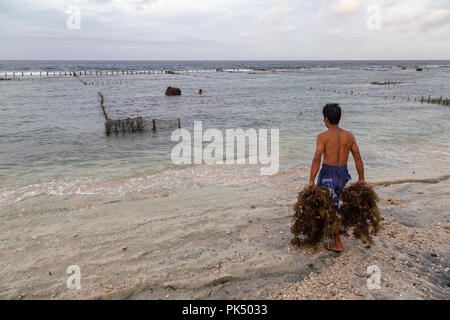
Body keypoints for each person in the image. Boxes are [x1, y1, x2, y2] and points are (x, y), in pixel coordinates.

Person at [307, 103, 367, 253]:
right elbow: (358, 159)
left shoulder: (322, 137)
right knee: (333, 204)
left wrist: (311, 181)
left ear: (326, 119)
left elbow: (316, 159)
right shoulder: (349, 136)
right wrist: (361, 178)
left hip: (328, 174)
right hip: (343, 174)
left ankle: (337, 243)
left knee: (330, 208)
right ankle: (328, 234)